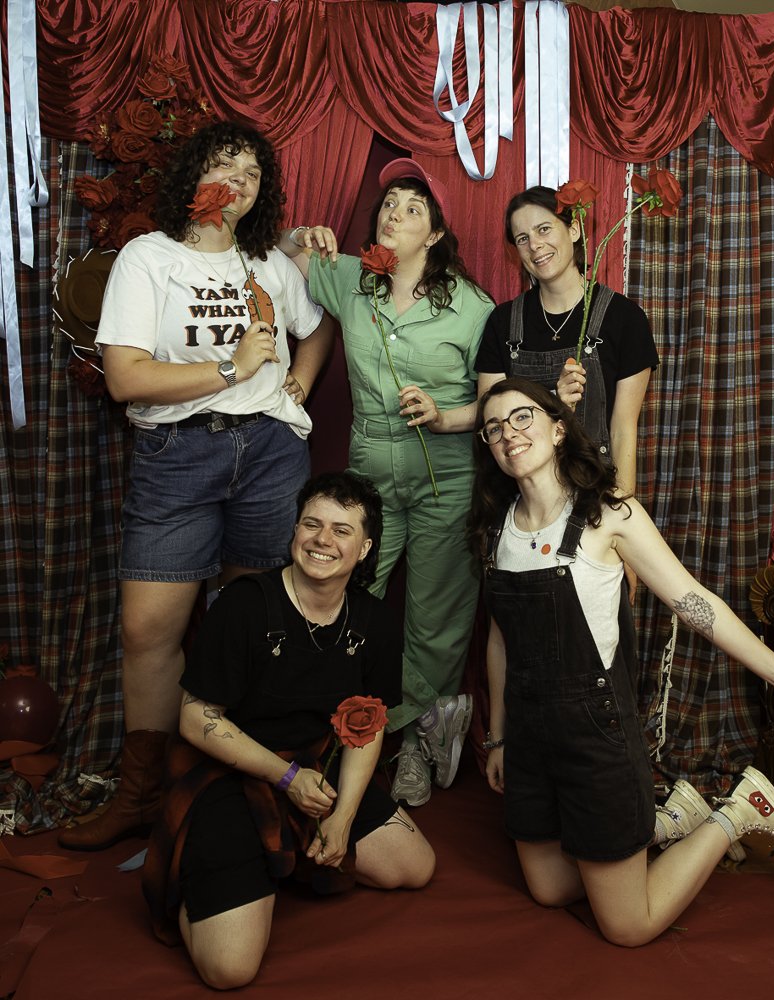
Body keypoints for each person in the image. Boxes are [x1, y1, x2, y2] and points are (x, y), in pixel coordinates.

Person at [60, 121, 334, 851]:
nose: (238, 178)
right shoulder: (150, 258)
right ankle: (141, 793)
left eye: (251, 170)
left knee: (249, 625)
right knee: (149, 628)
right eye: (223, 163)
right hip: (177, 454)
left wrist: (295, 386)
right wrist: (231, 370)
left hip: (270, 455)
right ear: (193, 176)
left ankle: (235, 776)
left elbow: (317, 326)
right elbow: (125, 377)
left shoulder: (269, 262)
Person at [468, 376, 774, 947]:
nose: (508, 434)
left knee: (628, 927)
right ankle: (665, 822)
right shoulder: (494, 529)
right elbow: (499, 639)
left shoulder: (610, 516)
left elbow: (695, 604)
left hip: (596, 734)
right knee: (548, 889)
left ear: (556, 428)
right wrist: (498, 737)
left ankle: (736, 810)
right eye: (494, 428)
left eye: (522, 418)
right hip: (529, 737)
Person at [142, 471, 435, 990]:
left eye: (342, 531)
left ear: (365, 548)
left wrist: (342, 815)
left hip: (315, 771)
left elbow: (366, 728)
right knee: (229, 971)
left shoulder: (373, 620)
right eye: (311, 524)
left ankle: (288, 850)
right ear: (294, 531)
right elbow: (194, 718)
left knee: (413, 868)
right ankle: (207, 878)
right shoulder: (243, 605)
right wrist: (287, 779)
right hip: (231, 774)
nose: (323, 540)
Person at [280, 159, 494, 808]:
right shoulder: (354, 279)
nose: (393, 214)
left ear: (434, 235)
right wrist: (302, 236)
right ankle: (345, 733)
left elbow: (494, 401)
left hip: (446, 477)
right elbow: (280, 259)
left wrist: (442, 412)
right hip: (368, 477)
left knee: (435, 621)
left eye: (411, 208)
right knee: (349, 600)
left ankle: (416, 747)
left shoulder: (472, 307)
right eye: (388, 204)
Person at [475, 186, 658, 504]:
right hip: (522, 496)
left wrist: (624, 510)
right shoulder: (502, 322)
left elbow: (622, 430)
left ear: (574, 229)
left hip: (595, 491)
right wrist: (555, 400)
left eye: (544, 229)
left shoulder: (625, 318)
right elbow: (490, 417)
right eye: (522, 238)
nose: (535, 245)